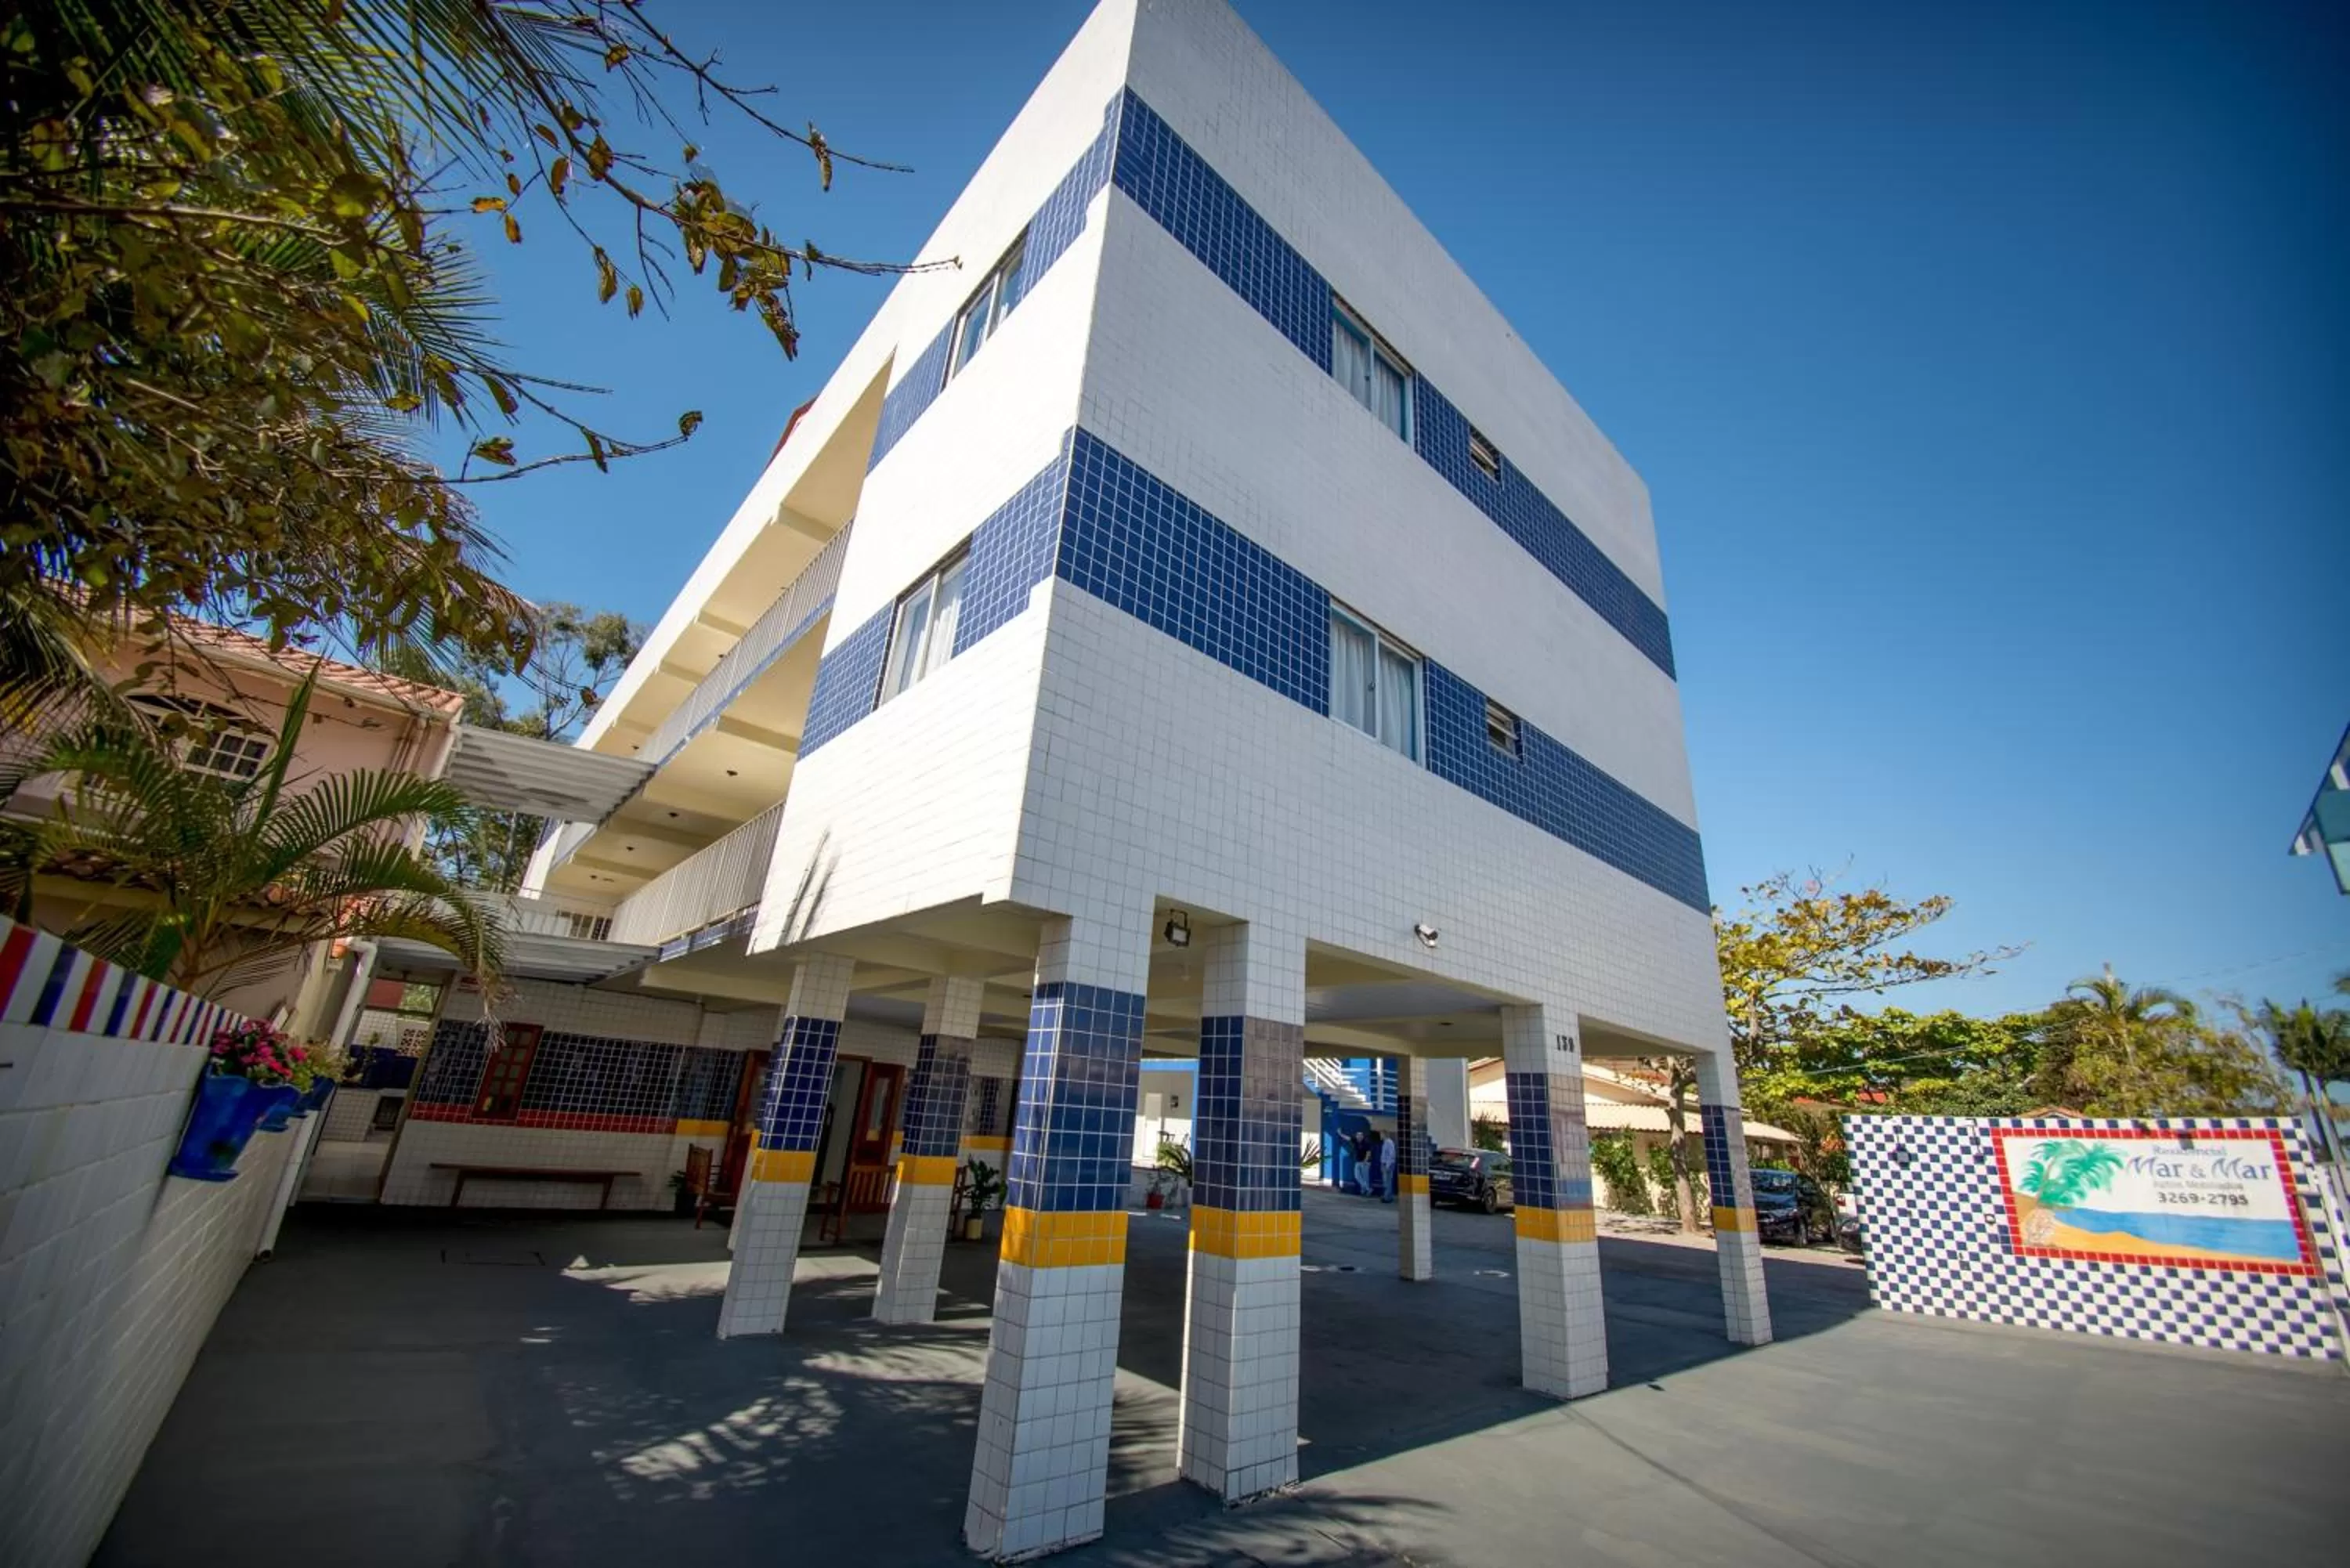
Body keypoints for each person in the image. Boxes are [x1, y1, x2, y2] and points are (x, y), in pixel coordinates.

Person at [1378, 1128, 1397, 1203]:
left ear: (1384, 1134)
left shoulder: (1389, 1142)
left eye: (1381, 1134)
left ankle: (1388, 1198)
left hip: (1388, 1164)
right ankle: (1387, 1196)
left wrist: (1387, 1165)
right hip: (1384, 1163)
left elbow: (1391, 1154)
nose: (1380, 1136)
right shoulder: (1385, 1142)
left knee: (1388, 1181)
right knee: (1386, 1181)